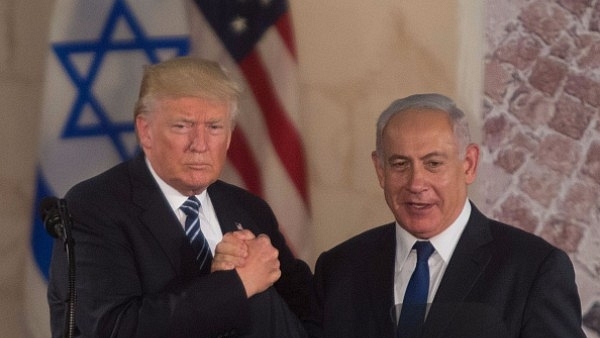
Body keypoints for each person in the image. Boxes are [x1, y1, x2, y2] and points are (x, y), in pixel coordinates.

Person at [47, 57, 312, 338]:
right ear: (146, 131)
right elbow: (115, 328)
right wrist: (237, 284)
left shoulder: (249, 209)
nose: (199, 145)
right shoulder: (95, 206)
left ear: (230, 136)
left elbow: (307, 311)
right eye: (182, 126)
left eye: (214, 127)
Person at [306, 93, 586, 338]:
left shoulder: (534, 269)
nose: (416, 184)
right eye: (400, 164)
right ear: (380, 170)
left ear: (469, 164)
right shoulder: (339, 269)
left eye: (433, 164)